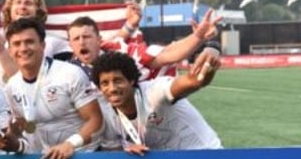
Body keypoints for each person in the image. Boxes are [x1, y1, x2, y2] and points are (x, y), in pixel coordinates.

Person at [4, 18, 103, 159]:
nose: (23, 48)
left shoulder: (70, 73)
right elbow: (26, 130)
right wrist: (12, 139)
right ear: (9, 50)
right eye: (16, 44)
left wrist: (70, 144)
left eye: (29, 42)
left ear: (42, 46)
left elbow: (95, 119)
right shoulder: (11, 86)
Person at [92, 50, 222, 153]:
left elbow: (193, 82)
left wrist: (211, 52)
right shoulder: (105, 112)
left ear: (131, 80)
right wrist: (128, 150)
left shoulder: (154, 93)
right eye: (105, 83)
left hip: (204, 153)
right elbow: (114, 154)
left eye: (118, 80)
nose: (112, 89)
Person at [67, 7, 222, 82]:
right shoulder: (66, 71)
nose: (81, 42)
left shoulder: (119, 54)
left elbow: (164, 56)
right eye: (76, 39)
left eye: (86, 36)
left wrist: (198, 37)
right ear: (70, 44)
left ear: (99, 40)